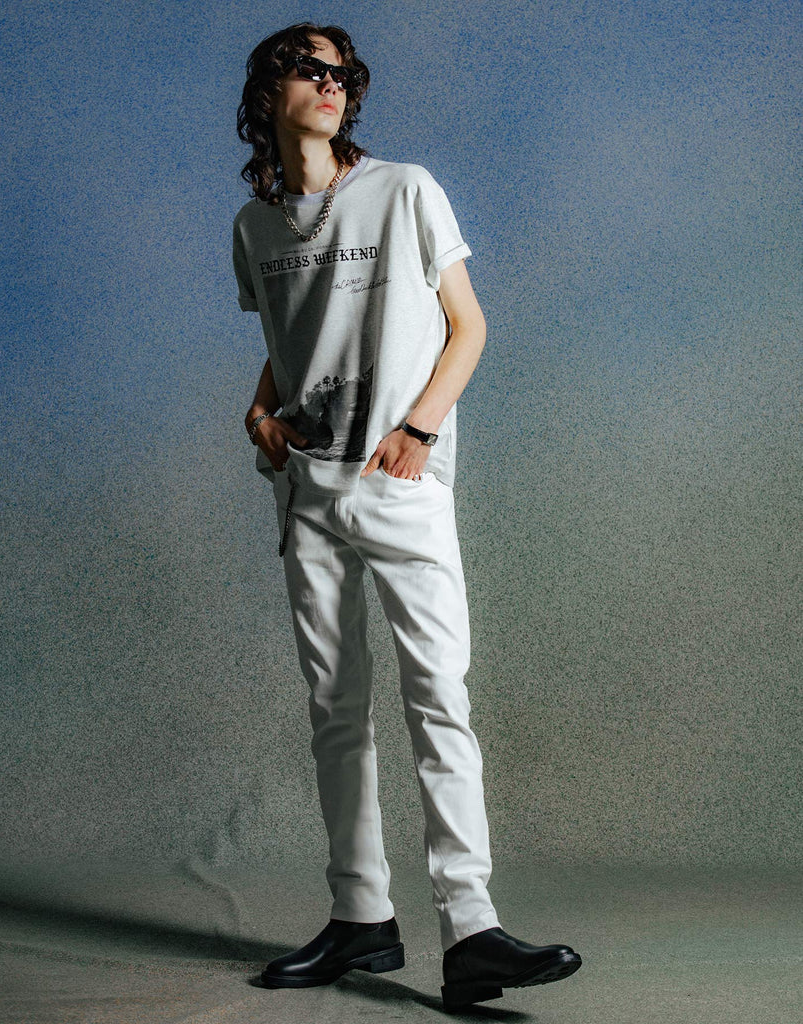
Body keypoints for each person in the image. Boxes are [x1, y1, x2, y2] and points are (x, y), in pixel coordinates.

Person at [232, 22, 582, 1011]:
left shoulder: (403, 190)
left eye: (341, 72)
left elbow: (467, 325)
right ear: (267, 94)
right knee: (334, 709)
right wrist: (259, 412)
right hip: (306, 490)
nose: (329, 83)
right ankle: (360, 918)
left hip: (398, 481)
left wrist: (420, 428)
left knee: (437, 697)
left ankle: (471, 930)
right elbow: (291, 341)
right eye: (308, 69)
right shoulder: (255, 228)